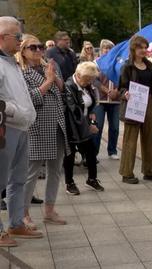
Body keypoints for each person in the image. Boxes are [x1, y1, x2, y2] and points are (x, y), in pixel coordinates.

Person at [17, 34, 69, 229]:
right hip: (37, 127)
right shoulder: (22, 72)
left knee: (55, 170)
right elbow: (30, 99)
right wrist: (48, 81)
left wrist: (54, 77)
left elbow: (63, 90)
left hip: (57, 124)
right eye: (33, 47)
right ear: (23, 51)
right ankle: (23, 213)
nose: (38, 50)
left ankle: (49, 210)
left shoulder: (49, 66)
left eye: (40, 47)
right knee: (31, 172)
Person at [0, 17, 43, 247]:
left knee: (17, 179)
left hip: (21, 128)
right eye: (17, 36)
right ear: (2, 38)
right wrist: (17, 112)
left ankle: (16, 223)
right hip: (6, 129)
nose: (20, 40)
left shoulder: (11, 62)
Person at [119, 35, 152, 184]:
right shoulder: (127, 66)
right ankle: (127, 173)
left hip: (148, 102)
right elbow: (121, 87)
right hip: (133, 103)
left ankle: (149, 171)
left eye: (145, 47)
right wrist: (124, 94)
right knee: (130, 140)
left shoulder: (150, 66)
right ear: (133, 48)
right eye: (140, 47)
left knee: (148, 138)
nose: (143, 50)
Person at [63, 62, 105, 194]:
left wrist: (92, 121)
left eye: (91, 79)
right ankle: (69, 183)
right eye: (87, 79)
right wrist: (88, 126)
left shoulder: (87, 85)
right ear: (78, 75)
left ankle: (92, 179)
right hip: (71, 126)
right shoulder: (69, 86)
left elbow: (90, 106)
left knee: (91, 152)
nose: (89, 82)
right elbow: (74, 110)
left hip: (84, 124)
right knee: (70, 155)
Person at [92, 39, 121, 159]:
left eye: (110, 48)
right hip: (100, 99)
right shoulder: (96, 63)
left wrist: (117, 91)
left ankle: (112, 151)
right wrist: (106, 90)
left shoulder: (119, 63)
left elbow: (124, 79)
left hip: (115, 99)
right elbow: (94, 80)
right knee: (97, 127)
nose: (108, 50)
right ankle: (94, 152)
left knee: (114, 127)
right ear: (101, 50)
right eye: (105, 48)